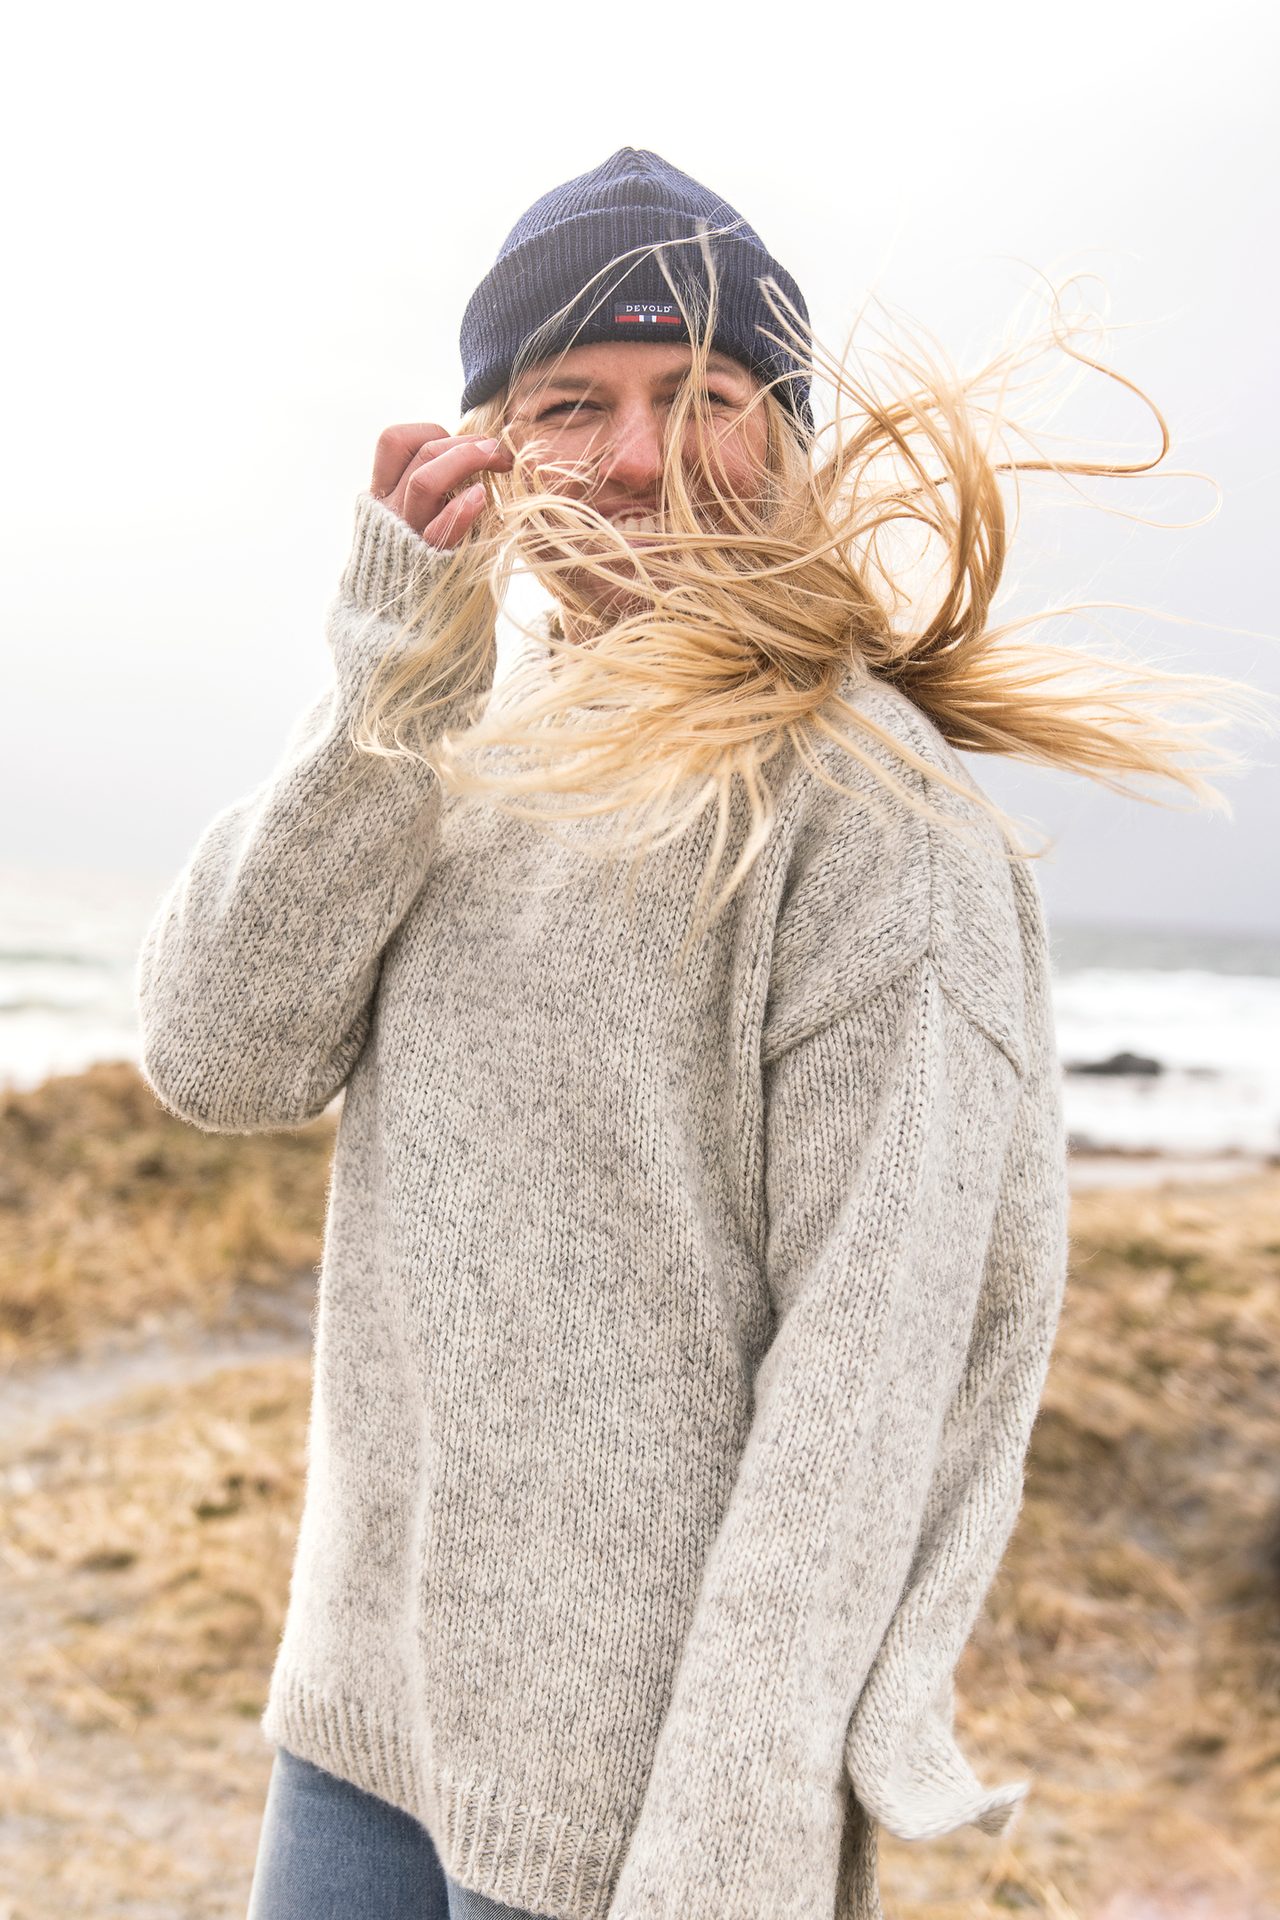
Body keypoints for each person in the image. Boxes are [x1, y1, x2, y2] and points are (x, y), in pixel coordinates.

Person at [135, 149, 1264, 1920]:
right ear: (489, 450)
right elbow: (221, 1057)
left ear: (788, 437)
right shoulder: (450, 752)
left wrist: (724, 1863)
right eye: (570, 401)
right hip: (357, 1749)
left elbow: (860, 1423)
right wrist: (383, 688)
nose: (640, 454)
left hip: (626, 1833)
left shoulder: (876, 827)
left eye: (704, 397)